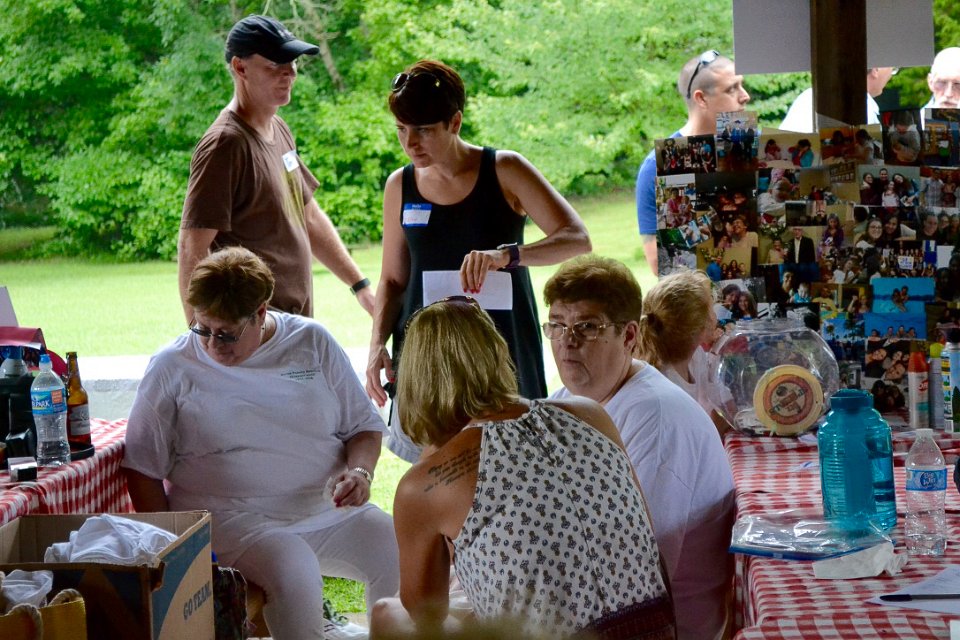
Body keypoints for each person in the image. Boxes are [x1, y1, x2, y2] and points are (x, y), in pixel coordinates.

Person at [123, 247, 399, 640]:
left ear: (261, 312)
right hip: (233, 519)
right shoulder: (172, 366)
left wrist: (360, 473)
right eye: (202, 328)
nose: (213, 344)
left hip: (325, 508)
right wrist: (175, 548)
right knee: (295, 570)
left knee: (393, 544)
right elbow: (141, 468)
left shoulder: (311, 340)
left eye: (227, 333)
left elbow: (363, 427)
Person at [375, 297, 675, 639]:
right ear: (497, 353)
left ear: (415, 378)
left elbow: (424, 612)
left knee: (388, 614)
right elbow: (649, 544)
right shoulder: (590, 414)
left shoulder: (425, 484)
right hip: (657, 627)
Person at [366, 60, 590, 463]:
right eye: (401, 129)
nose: (410, 142)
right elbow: (393, 281)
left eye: (423, 130)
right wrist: (376, 345)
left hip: (501, 351)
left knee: (517, 465)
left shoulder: (504, 169)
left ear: (454, 122)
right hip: (428, 355)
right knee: (437, 472)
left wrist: (508, 255)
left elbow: (576, 239)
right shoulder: (400, 184)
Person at [544, 257, 734, 640]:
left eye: (587, 326)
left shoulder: (656, 416)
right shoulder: (562, 402)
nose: (567, 340)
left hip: (667, 627)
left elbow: (637, 571)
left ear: (629, 335)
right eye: (557, 325)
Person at [177, 15, 374, 321]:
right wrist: (202, 333)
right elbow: (192, 247)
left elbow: (308, 216)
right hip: (249, 330)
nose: (290, 73)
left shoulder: (279, 129)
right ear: (240, 67)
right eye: (275, 65)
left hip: (293, 325)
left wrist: (361, 287)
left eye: (292, 62)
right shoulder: (224, 144)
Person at [636, 51, 750, 274]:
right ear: (701, 99)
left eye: (742, 85)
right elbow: (660, 264)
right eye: (731, 89)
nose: (745, 96)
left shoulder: (754, 147)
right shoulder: (658, 166)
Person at [779, 67, 896, 132]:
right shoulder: (860, 104)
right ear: (875, 69)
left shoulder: (809, 95)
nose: (892, 74)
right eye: (894, 69)